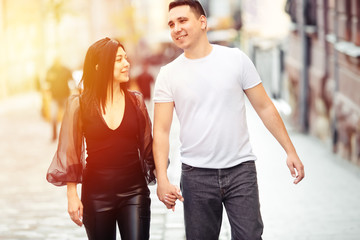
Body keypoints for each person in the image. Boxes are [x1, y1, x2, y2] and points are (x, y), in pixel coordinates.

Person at [152, 1, 305, 240]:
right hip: (196, 176)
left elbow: (264, 107)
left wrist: (290, 150)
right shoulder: (168, 74)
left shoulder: (236, 59)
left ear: (202, 22)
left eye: (182, 20)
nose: (176, 28)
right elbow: (161, 131)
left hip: (240, 171)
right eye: (171, 24)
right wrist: (162, 178)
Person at [46, 37, 162, 240]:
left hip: (134, 192)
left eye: (126, 58)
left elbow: (148, 149)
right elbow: (70, 152)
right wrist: (72, 196)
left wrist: (163, 181)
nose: (127, 64)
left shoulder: (136, 101)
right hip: (96, 195)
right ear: (100, 66)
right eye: (119, 59)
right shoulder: (79, 105)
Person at [45, 58, 72, 140]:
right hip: (54, 97)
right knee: (53, 117)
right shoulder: (50, 70)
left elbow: (71, 81)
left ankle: (69, 134)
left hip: (65, 96)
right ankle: (54, 136)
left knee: (67, 116)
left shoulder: (66, 70)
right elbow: (46, 82)